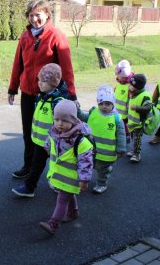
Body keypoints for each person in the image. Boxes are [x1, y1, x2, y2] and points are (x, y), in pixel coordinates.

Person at [8, 0, 77, 179]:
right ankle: (28, 166)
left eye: (38, 14)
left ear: (47, 15)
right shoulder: (25, 36)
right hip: (28, 93)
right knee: (29, 132)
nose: (34, 18)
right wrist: (13, 88)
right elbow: (18, 63)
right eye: (31, 15)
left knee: (51, 134)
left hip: (48, 95)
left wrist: (71, 94)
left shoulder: (56, 35)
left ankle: (56, 170)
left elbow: (66, 67)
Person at [12, 63, 69, 197]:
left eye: (44, 81)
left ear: (54, 83)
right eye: (39, 80)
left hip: (53, 140)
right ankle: (30, 187)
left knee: (57, 163)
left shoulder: (57, 101)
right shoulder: (41, 96)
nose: (40, 83)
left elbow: (64, 121)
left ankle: (55, 184)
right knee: (37, 164)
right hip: (40, 140)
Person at [38, 100, 94, 235]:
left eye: (64, 120)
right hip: (60, 175)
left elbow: (86, 162)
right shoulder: (54, 132)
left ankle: (53, 224)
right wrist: (47, 148)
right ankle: (73, 211)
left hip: (72, 177)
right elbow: (49, 143)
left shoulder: (80, 140)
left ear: (74, 121)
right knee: (68, 194)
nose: (59, 123)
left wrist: (84, 179)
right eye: (56, 119)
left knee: (62, 199)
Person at [81, 85, 126, 194]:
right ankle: (83, 181)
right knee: (87, 165)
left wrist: (121, 148)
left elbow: (121, 135)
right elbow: (83, 116)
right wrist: (76, 110)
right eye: (101, 103)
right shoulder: (94, 112)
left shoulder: (116, 118)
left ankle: (101, 184)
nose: (104, 106)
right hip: (91, 151)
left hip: (107, 153)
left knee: (103, 170)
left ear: (113, 103)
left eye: (107, 103)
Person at [127, 74, 153, 163]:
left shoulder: (145, 95)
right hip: (132, 122)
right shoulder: (133, 93)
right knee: (133, 138)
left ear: (137, 87)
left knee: (137, 139)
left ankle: (137, 154)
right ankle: (133, 150)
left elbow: (148, 107)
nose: (129, 86)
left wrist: (137, 108)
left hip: (139, 123)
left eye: (131, 85)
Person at [114, 60, 134, 142]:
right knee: (118, 124)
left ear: (125, 76)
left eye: (119, 76)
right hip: (117, 110)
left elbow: (131, 97)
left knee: (125, 125)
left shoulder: (130, 85)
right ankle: (120, 136)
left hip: (125, 112)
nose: (117, 77)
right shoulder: (119, 83)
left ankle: (127, 136)